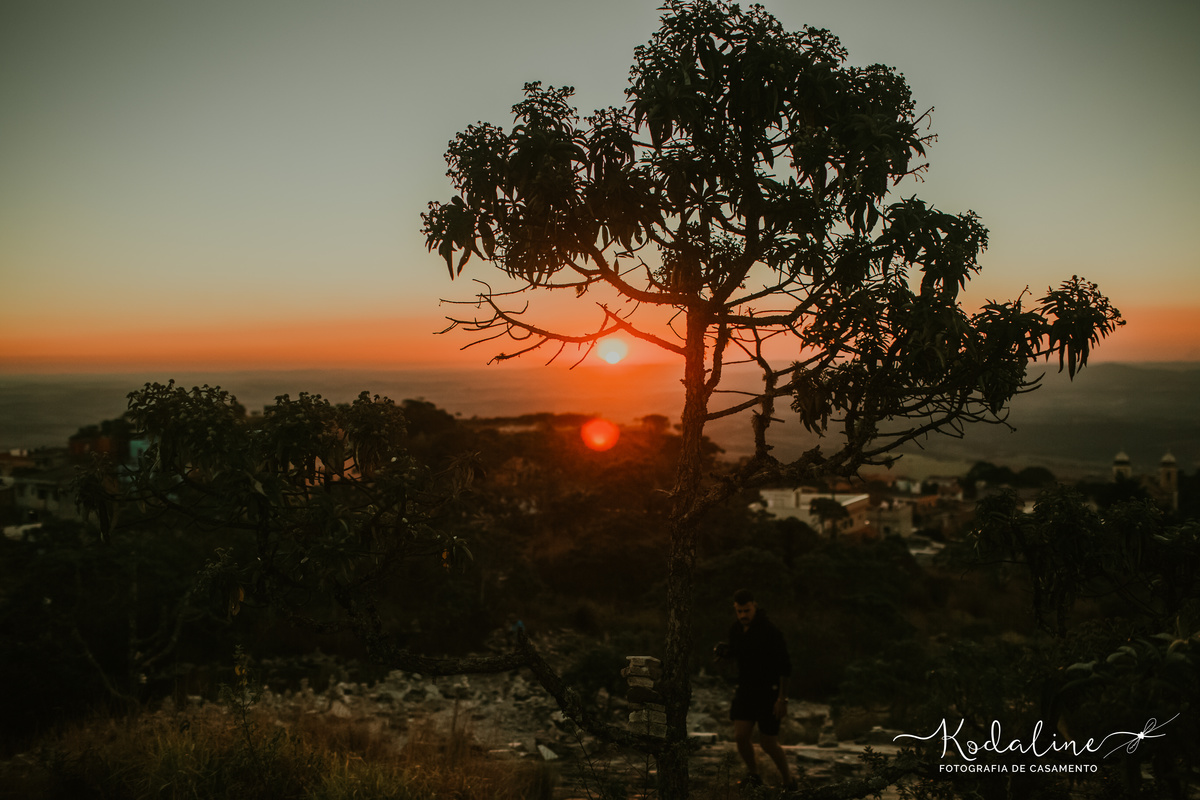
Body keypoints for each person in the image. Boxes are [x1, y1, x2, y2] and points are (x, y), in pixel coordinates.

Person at [713, 588, 795, 789]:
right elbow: (737, 653)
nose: (743, 615)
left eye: (746, 610)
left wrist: (782, 699)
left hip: (769, 692)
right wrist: (726, 652)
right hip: (745, 690)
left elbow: (785, 668)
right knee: (740, 737)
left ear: (754, 606)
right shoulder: (736, 629)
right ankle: (754, 776)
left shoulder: (770, 631)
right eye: (739, 611)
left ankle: (789, 781)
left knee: (768, 743)